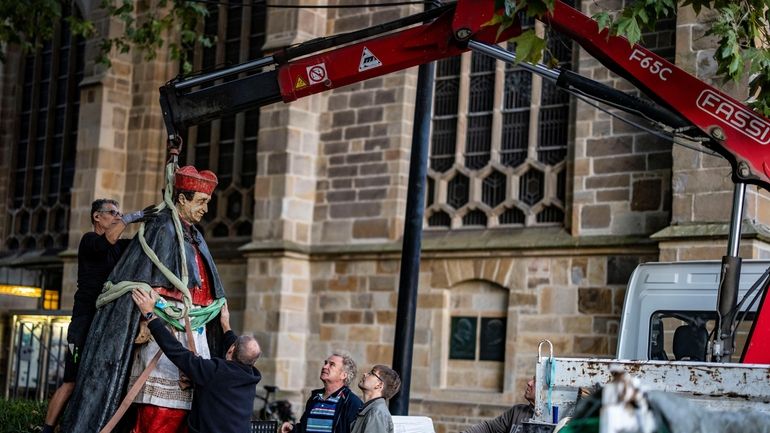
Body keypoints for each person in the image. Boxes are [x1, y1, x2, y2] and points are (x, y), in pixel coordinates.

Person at [62, 166, 228, 433]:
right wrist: (144, 319)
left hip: (193, 328)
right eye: (201, 202)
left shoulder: (195, 235)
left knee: (191, 405)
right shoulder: (159, 228)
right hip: (160, 328)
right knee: (158, 408)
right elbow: (142, 274)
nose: (206, 210)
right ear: (182, 199)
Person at [41, 199, 157, 433]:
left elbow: (142, 246)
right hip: (83, 321)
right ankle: (46, 429)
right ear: (97, 216)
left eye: (119, 213)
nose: (117, 216)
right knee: (71, 381)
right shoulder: (89, 241)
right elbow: (109, 239)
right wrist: (132, 217)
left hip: (105, 322)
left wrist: (159, 219)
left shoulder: (118, 246)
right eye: (113, 213)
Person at [131, 288, 262, 433]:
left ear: (231, 350)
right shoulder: (251, 376)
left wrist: (150, 315)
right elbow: (238, 349)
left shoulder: (215, 372)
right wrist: (226, 325)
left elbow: (177, 352)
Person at [281, 352, 364, 433]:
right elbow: (306, 428)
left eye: (332, 364)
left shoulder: (352, 402)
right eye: (325, 363)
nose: (324, 366)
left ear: (343, 375)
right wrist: (292, 428)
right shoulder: (315, 397)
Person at [462, 377, 535, 433]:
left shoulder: (546, 421)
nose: (529, 383)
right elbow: (489, 428)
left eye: (535, 381)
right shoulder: (517, 411)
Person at [350, 365, 401, 433]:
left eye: (371, 373)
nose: (365, 374)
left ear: (379, 385)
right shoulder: (372, 410)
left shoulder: (376, 413)